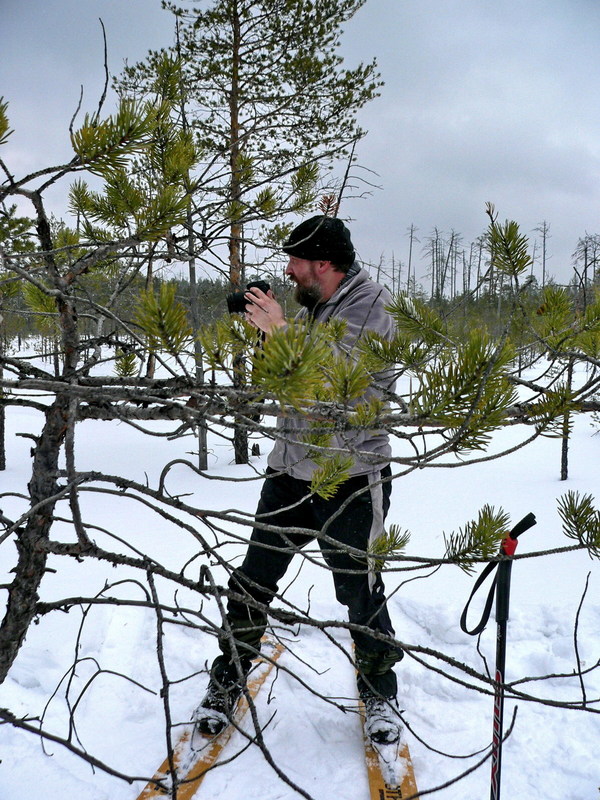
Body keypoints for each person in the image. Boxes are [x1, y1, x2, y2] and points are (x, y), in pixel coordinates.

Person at [196, 216, 403, 744]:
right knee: (253, 580)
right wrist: (266, 337)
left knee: (361, 592)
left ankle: (378, 691)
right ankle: (229, 678)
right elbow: (287, 383)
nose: (287, 271)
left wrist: (282, 331)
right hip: (289, 470)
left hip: (350, 477)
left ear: (324, 265)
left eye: (295, 262)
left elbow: (340, 380)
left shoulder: (370, 304)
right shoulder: (312, 307)